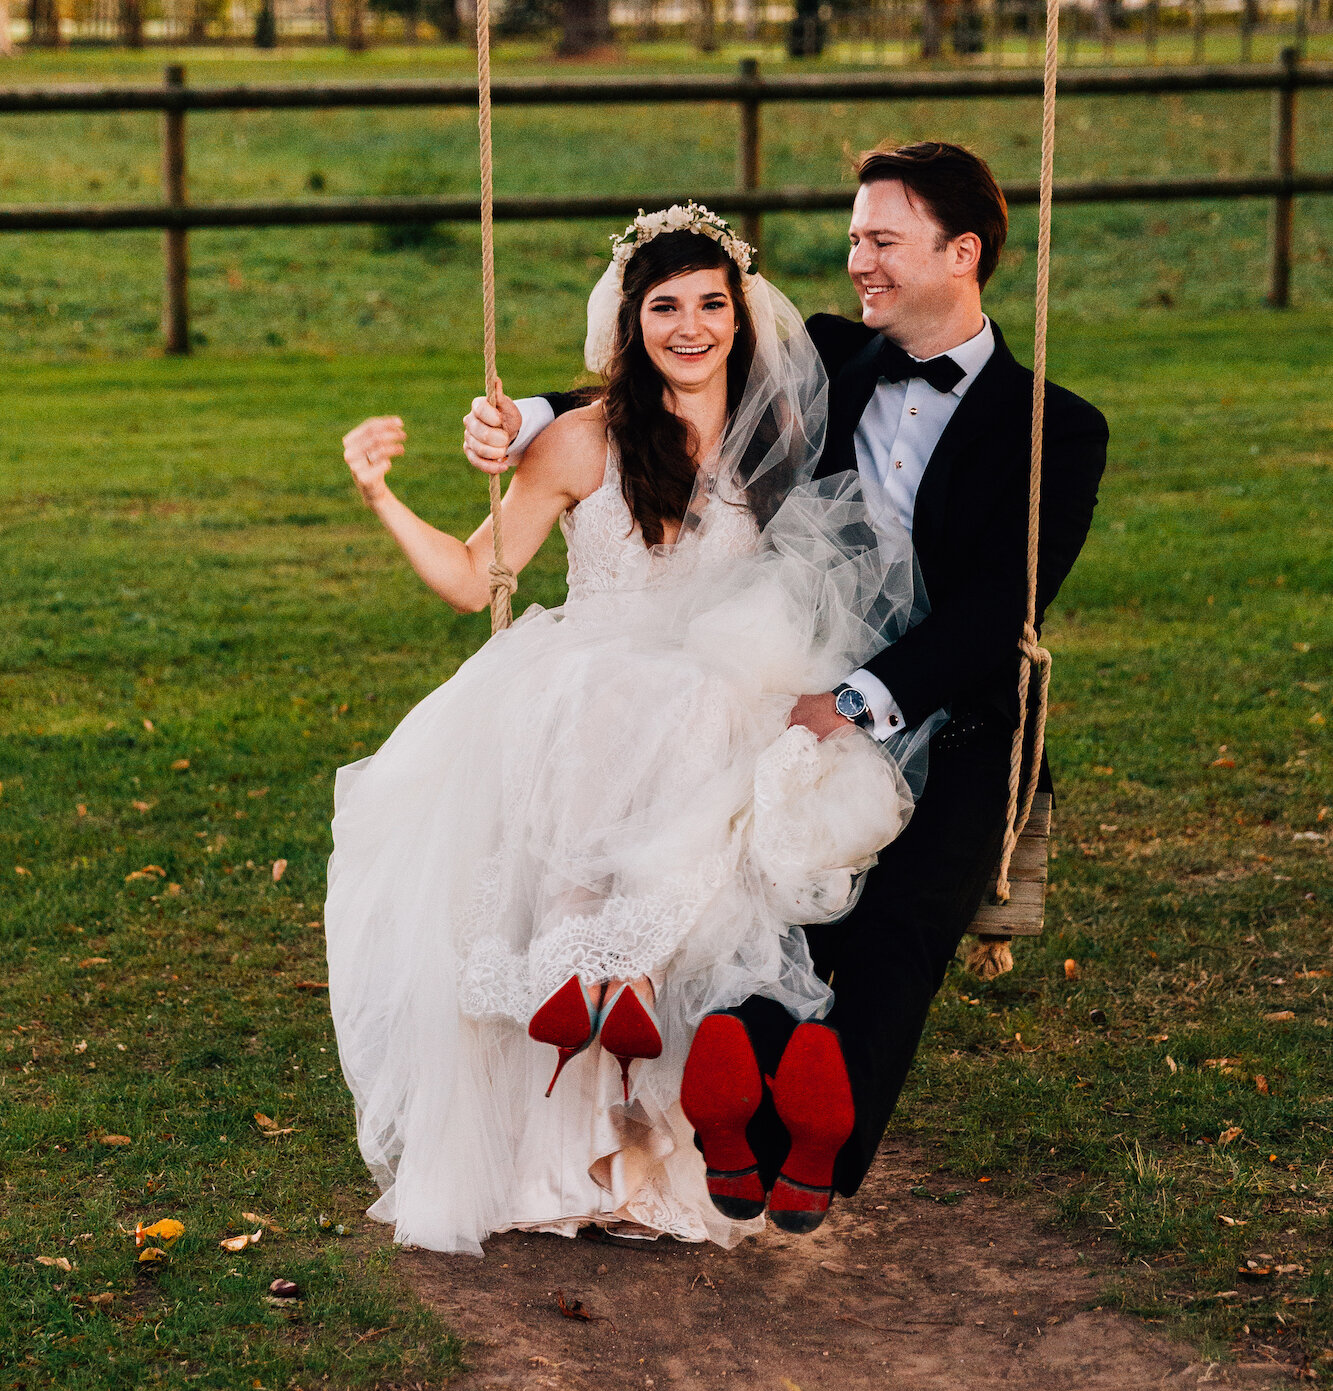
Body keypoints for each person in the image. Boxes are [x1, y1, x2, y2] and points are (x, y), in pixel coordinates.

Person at [463, 140, 1110, 1232]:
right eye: (854, 235)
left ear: (960, 253)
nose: (855, 257)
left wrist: (855, 700)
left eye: (880, 240)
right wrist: (527, 416)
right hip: (801, 673)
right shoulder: (834, 356)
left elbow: (996, 614)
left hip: (953, 716)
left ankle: (808, 1148)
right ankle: (731, 1108)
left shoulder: (1058, 429)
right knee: (774, 881)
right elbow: (675, 376)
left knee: (897, 924)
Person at [326, 206, 927, 1256]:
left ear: (741, 318)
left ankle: (612, 989)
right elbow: (476, 579)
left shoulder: (772, 437)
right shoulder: (578, 441)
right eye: (665, 307)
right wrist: (381, 493)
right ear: (630, 324)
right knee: (605, 696)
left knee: (695, 705)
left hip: (713, 694)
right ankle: (598, 981)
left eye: (709, 304)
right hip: (591, 688)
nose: (689, 325)